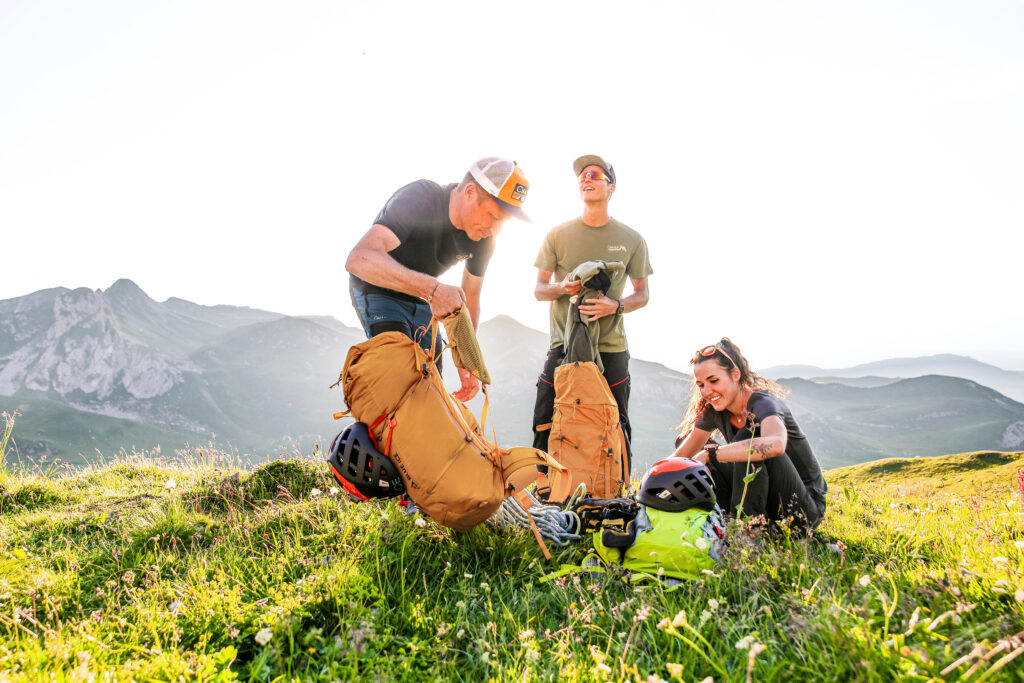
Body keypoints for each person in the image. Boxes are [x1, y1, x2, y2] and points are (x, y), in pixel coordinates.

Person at [346, 157, 530, 401]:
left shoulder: (485, 237)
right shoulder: (421, 198)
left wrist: (466, 358)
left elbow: (471, 297)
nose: (495, 230)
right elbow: (358, 259)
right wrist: (433, 290)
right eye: (494, 217)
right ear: (470, 192)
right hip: (377, 289)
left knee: (431, 389)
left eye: (503, 224)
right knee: (400, 378)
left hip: (423, 298)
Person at [531, 154, 652, 454]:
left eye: (595, 175)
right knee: (545, 416)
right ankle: (542, 488)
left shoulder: (632, 239)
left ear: (611, 188)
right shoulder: (557, 234)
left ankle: (619, 493)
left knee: (616, 419)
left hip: (611, 345)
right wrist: (561, 287)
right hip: (563, 342)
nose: (587, 178)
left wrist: (616, 306)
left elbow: (643, 293)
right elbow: (539, 289)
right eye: (583, 175)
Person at [672, 338, 827, 529]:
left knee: (748, 437)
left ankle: (746, 531)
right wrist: (647, 487)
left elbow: (776, 444)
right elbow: (681, 455)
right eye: (701, 384)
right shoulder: (714, 410)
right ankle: (719, 516)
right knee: (683, 443)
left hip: (801, 508)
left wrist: (710, 454)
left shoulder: (763, 403)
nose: (707, 391)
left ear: (735, 374)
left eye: (713, 381)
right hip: (760, 495)